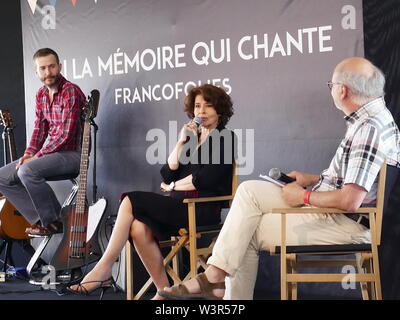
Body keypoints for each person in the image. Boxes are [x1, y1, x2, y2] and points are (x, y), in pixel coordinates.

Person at [159, 57, 400, 300]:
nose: (331, 90)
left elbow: (350, 200)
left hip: (346, 222)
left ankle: (213, 280)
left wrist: (303, 195)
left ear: (343, 90)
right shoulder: (375, 117)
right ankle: (215, 280)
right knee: (247, 204)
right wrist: (312, 179)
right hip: (338, 214)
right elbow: (360, 181)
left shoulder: (368, 127)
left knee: (246, 226)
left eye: (331, 85)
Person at [68, 84, 236, 299]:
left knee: (131, 199)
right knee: (138, 227)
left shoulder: (225, 138)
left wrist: (174, 187)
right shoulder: (192, 140)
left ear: (219, 110)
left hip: (199, 210)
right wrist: (181, 142)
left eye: (208, 106)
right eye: (197, 106)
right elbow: (167, 173)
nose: (201, 112)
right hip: (177, 207)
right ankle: (164, 291)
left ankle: (103, 268)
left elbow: (203, 180)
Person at [0, 48, 86, 236]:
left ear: (59, 67)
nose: (48, 72)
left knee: (27, 170)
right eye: (43, 68)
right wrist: (29, 154)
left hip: (72, 156)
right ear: (37, 72)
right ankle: (42, 220)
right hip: (49, 155)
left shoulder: (70, 91)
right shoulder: (40, 94)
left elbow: (64, 135)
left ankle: (54, 220)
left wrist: (36, 157)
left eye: (52, 67)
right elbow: (39, 130)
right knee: (3, 177)